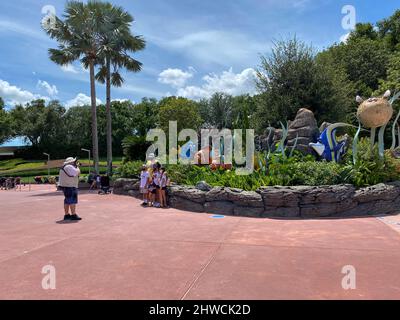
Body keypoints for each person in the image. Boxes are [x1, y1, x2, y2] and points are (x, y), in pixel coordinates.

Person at [59, 157, 82, 221]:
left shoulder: (65, 166)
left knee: (67, 201)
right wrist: (77, 167)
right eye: (74, 161)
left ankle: (66, 215)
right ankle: (73, 215)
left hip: (66, 186)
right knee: (72, 201)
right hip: (70, 186)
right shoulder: (69, 166)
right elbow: (76, 173)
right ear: (71, 162)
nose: (75, 162)